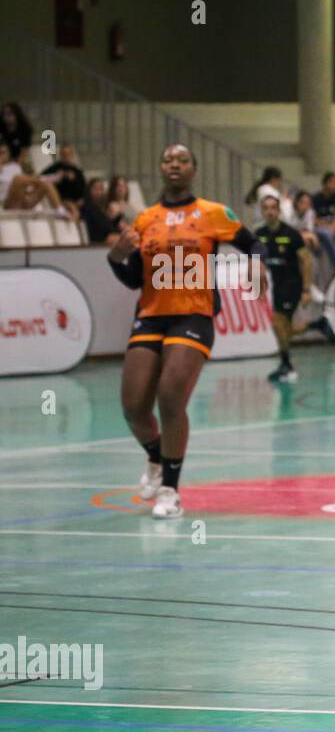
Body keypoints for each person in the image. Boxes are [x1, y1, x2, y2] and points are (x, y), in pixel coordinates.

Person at [106, 143, 269, 519]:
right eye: (167, 160)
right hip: (150, 315)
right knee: (133, 408)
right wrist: (115, 258)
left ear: (193, 169)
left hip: (192, 316)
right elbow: (133, 279)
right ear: (161, 169)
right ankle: (156, 458)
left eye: (182, 160)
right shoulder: (145, 218)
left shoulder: (212, 213)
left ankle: (170, 492)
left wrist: (257, 263)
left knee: (169, 396)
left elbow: (253, 241)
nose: (174, 164)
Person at [254, 193, 316, 382]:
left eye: (274, 208)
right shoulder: (259, 234)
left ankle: (286, 365)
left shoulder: (291, 234)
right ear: (262, 211)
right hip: (274, 286)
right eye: (266, 208)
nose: (270, 212)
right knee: (283, 328)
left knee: (277, 324)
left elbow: (306, 261)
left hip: (292, 284)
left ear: (279, 211)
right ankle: (317, 325)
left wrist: (306, 289)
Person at [0, 140, 63, 213]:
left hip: (23, 200)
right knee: (18, 179)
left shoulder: (15, 166)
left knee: (47, 184)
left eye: (3, 153)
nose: (1, 156)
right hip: (5, 204)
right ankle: (43, 179)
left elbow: (25, 185)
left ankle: (60, 210)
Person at [39, 143, 87, 219]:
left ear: (72, 155)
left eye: (68, 154)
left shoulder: (77, 171)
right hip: (60, 199)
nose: (66, 157)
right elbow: (41, 177)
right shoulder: (55, 168)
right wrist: (57, 176)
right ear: (61, 155)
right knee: (72, 208)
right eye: (63, 154)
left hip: (75, 200)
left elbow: (83, 189)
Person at [81, 177, 122, 243]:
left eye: (101, 189)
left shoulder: (102, 207)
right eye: (96, 189)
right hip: (98, 238)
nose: (99, 192)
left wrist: (116, 217)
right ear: (89, 191)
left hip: (107, 235)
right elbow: (103, 227)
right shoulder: (88, 208)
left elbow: (108, 225)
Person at [0, 102, 32, 168]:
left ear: (17, 114)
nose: (6, 117)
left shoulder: (25, 130)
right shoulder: (2, 129)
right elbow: (3, 150)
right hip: (3, 160)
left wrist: (16, 165)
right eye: (4, 114)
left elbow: (24, 152)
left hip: (18, 160)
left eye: (9, 114)